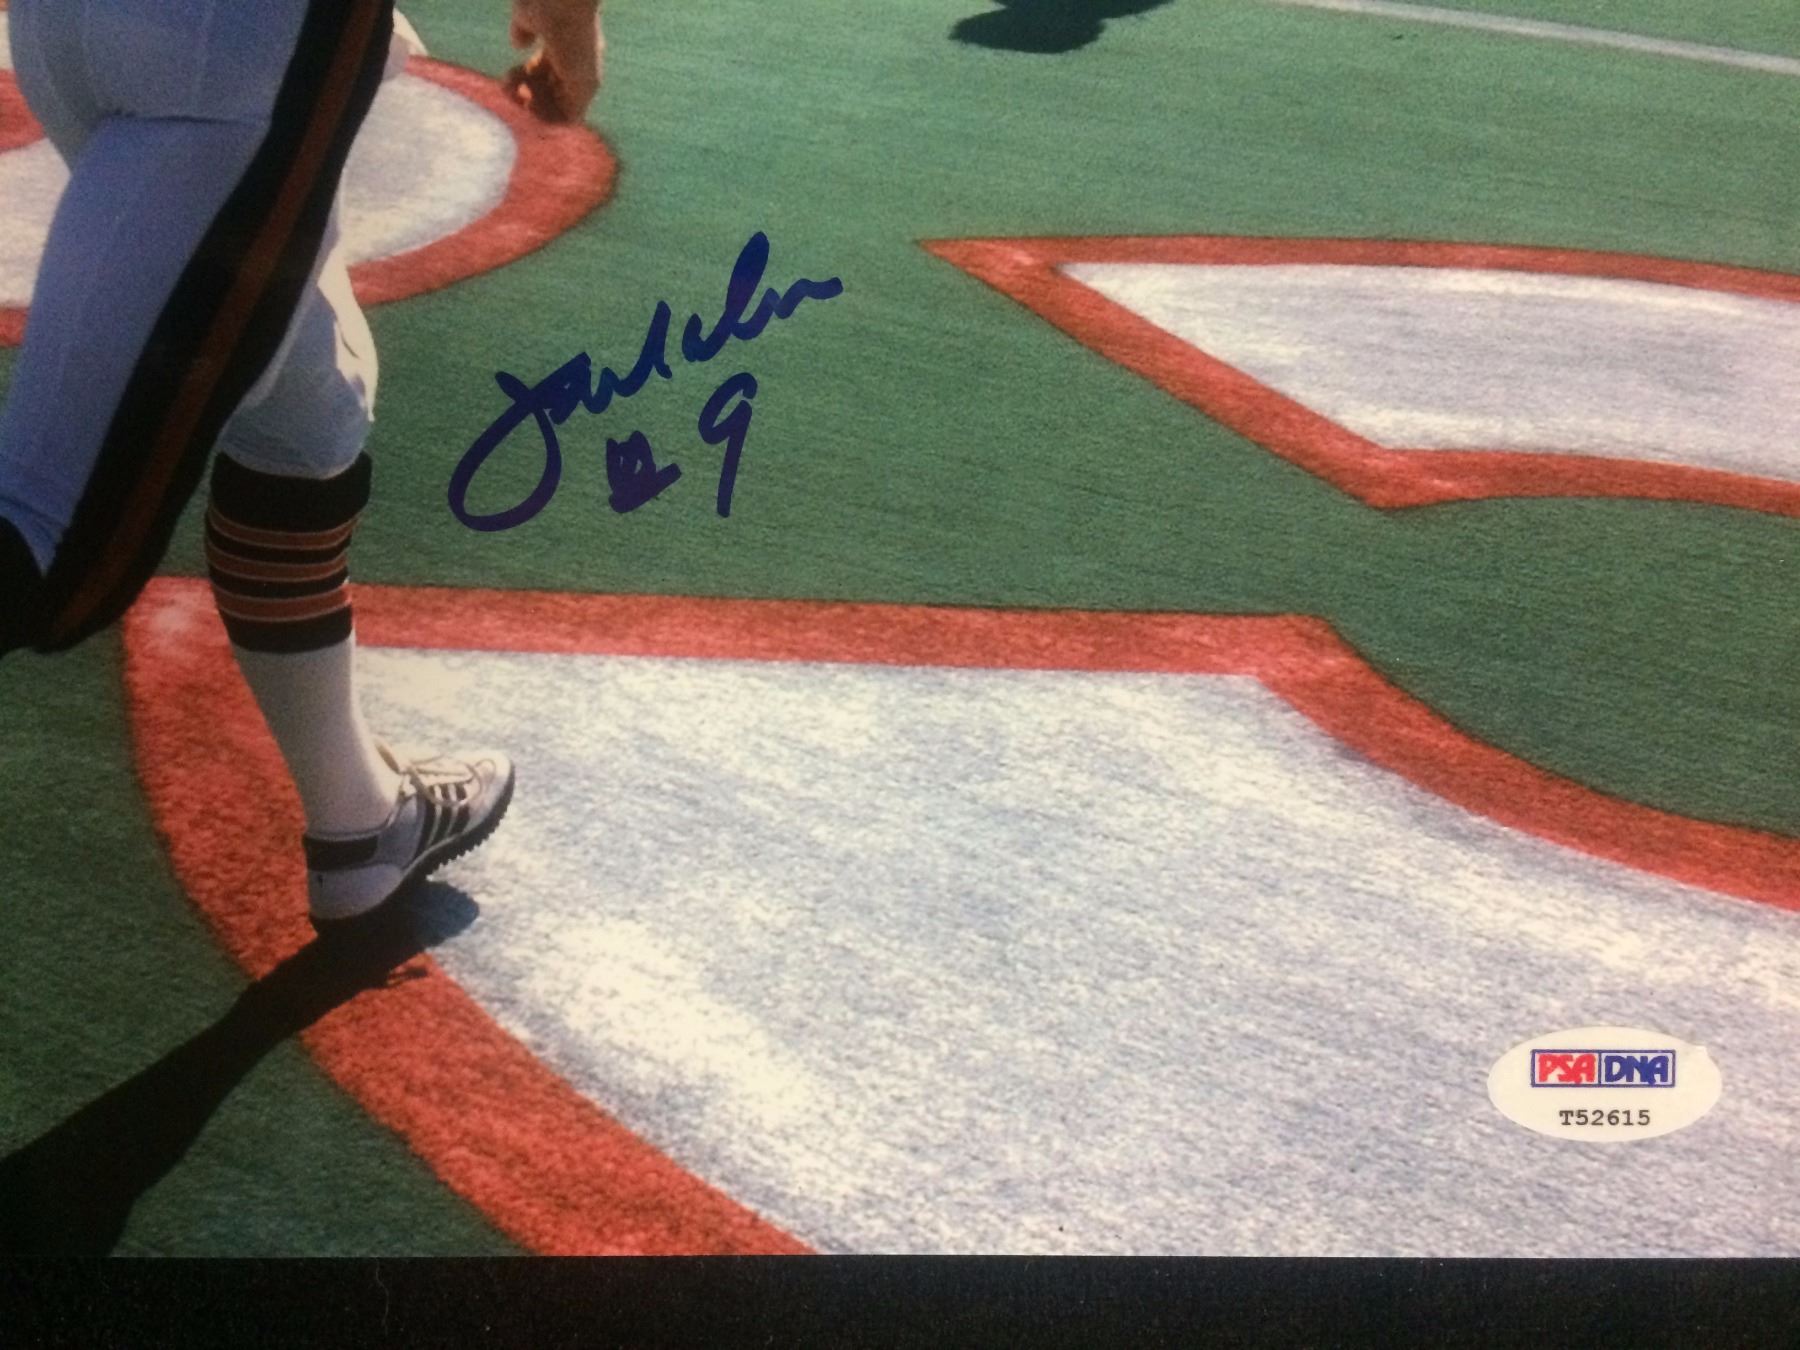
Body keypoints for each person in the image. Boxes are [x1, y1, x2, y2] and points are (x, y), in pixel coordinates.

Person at [0, 0, 603, 933]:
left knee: (311, 407)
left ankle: (360, 819)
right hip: (232, 54)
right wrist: (570, 30)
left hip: (64, 31)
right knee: (49, 544)